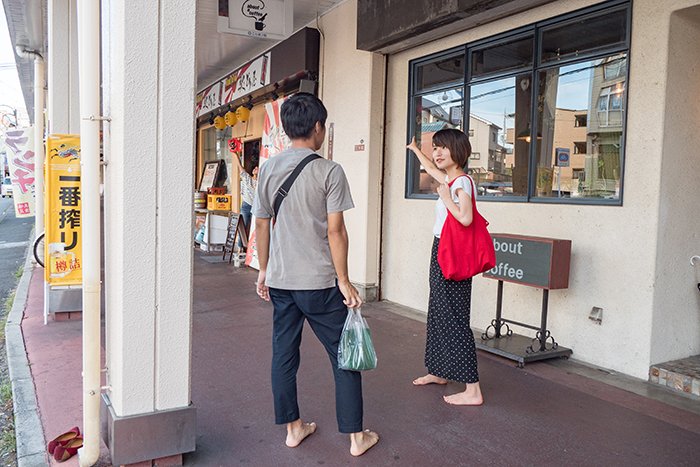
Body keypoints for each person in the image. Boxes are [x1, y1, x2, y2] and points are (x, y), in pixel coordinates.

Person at [252, 92, 379, 456]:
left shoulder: (269, 168)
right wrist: (345, 280)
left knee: (283, 354)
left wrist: (264, 270)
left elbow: (262, 224)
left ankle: (293, 429)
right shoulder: (329, 170)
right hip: (320, 283)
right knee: (344, 353)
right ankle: (356, 438)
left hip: (281, 282)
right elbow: (335, 231)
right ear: (318, 127)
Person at [406, 129, 484, 406]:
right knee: (438, 311)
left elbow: (465, 217)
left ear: (457, 151)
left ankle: (472, 389)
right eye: (435, 147)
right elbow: (429, 167)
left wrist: (447, 196)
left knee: (454, 318)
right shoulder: (452, 180)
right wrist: (416, 150)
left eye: (442, 148)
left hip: (452, 254)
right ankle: (439, 371)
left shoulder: (461, 183)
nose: (437, 153)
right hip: (441, 249)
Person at [231, 149, 259, 250]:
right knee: (243, 227)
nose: (256, 168)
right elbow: (240, 167)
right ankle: (240, 248)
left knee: (254, 228)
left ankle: (252, 250)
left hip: (257, 206)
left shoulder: (261, 182)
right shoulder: (247, 178)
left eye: (258, 167)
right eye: (254, 167)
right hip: (246, 205)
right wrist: (235, 154)